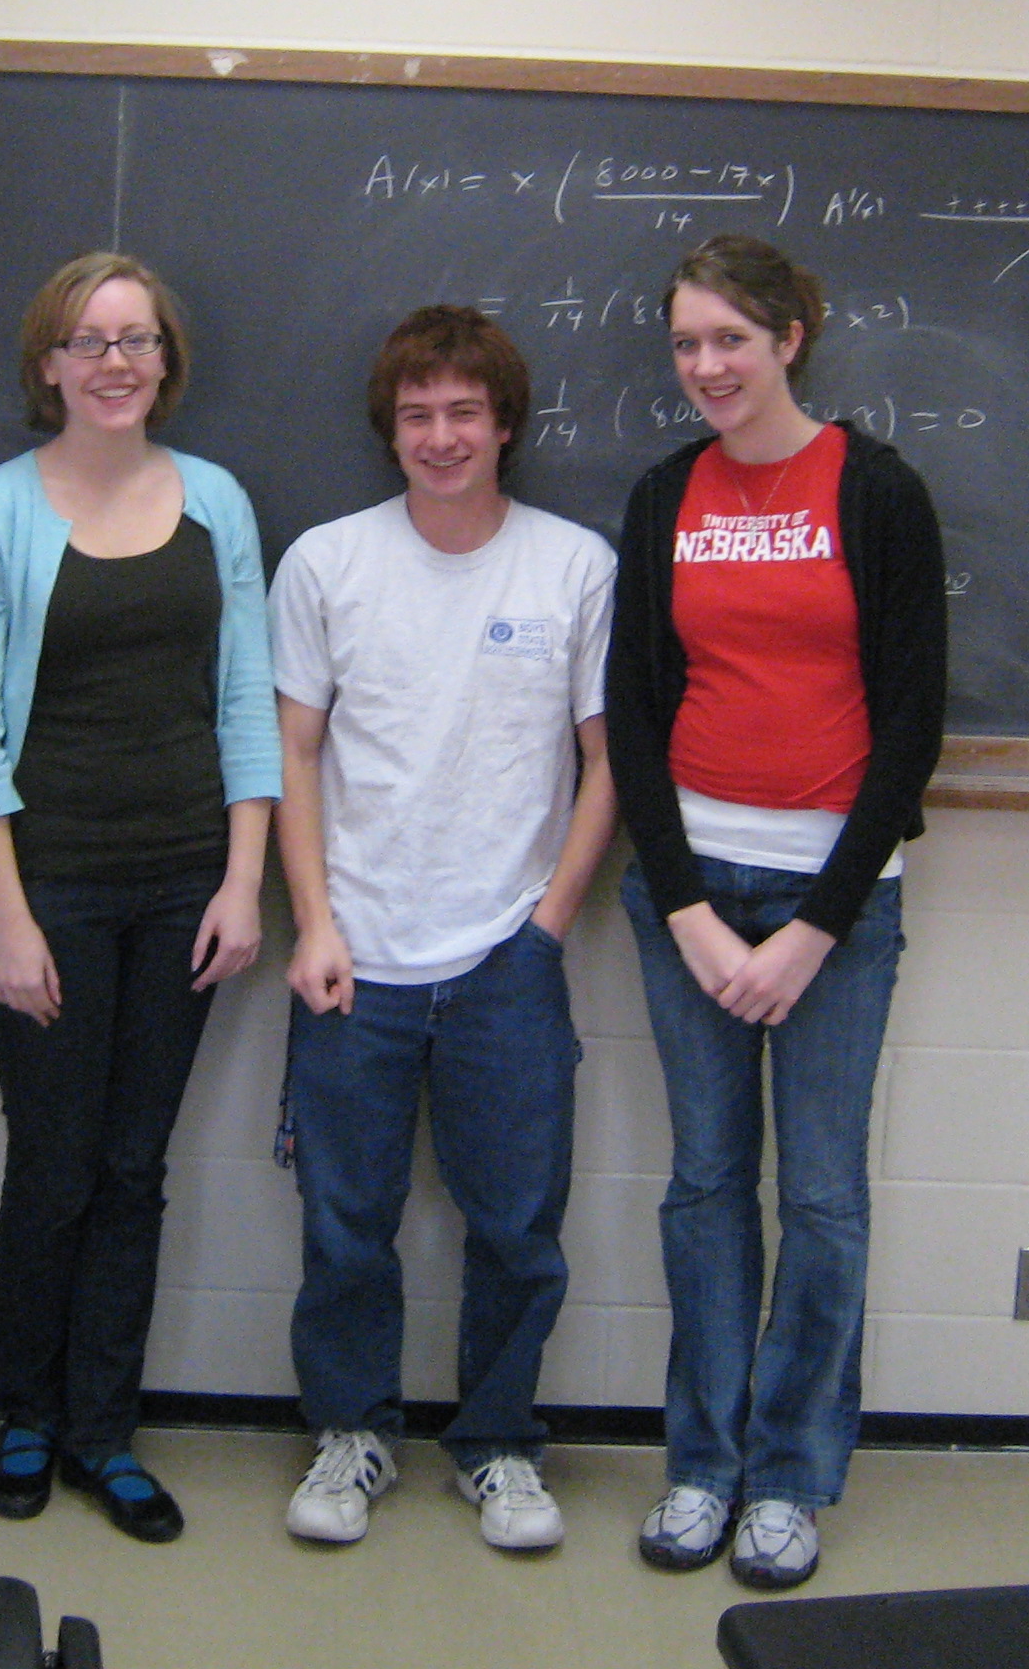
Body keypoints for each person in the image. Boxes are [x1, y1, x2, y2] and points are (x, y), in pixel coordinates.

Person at [603, 233, 947, 1593]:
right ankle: (703, 1465)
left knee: (821, 1198)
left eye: (731, 340)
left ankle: (791, 1478)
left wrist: (815, 929)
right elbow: (632, 712)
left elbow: (912, 727)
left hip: (833, 907)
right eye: (687, 344)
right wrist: (688, 908)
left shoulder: (876, 490)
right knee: (703, 1187)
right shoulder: (663, 496)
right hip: (687, 896)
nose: (706, 367)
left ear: (790, 338)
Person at [0, 252, 279, 1544]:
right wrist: (12, 919)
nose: (116, 362)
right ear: (50, 364)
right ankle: (26, 1417)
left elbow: (247, 700)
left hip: (186, 883)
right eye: (90, 340)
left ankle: (103, 1432)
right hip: (51, 890)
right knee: (56, 1166)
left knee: (136, 1169)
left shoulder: (219, 502)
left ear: (166, 360)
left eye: (138, 340)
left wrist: (243, 881)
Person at [267, 306, 618, 1554]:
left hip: (505, 961)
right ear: (391, 429)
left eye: (465, 411)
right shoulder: (326, 563)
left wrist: (545, 928)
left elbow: (608, 761)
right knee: (344, 1227)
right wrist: (313, 924)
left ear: (504, 423)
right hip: (352, 956)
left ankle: (499, 1445)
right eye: (417, 414)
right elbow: (292, 752)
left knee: (518, 1230)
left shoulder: (574, 566)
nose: (442, 436)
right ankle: (350, 1434)